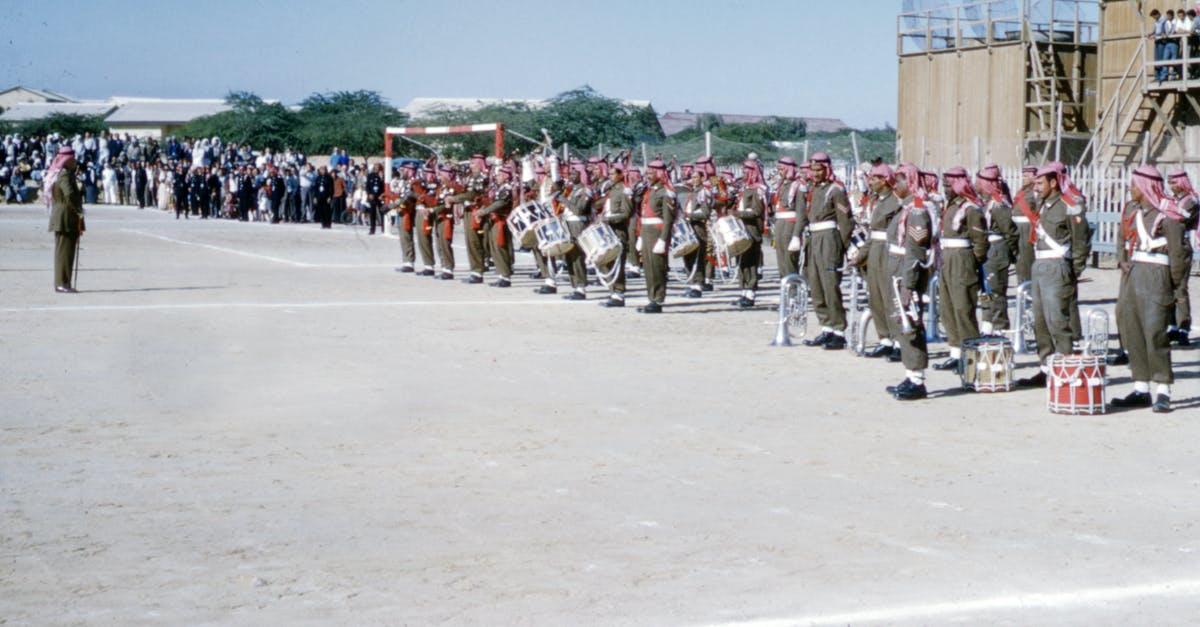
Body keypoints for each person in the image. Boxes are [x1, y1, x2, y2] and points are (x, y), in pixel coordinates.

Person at [1112, 165, 1183, 413]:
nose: (1131, 189)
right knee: (1132, 329)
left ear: (1145, 187)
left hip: (1157, 274)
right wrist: (1123, 262)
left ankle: (1163, 389)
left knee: (1155, 332)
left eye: (1134, 185)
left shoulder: (1167, 214)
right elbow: (1123, 238)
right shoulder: (1134, 211)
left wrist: (1174, 286)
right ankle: (1141, 387)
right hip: (1134, 273)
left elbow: (1178, 254)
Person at [1016, 164, 1083, 387]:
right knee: (1040, 321)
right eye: (1034, 183)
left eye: (1040, 183)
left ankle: (1066, 368)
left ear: (1053, 183)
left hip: (1057, 265)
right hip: (1040, 264)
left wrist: (1073, 270)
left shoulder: (1069, 206)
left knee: (1057, 320)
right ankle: (1046, 368)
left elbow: (1081, 241)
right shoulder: (1042, 204)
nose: (1036, 187)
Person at [931, 167, 988, 371]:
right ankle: (956, 354)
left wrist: (971, 263)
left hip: (962, 260)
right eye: (944, 185)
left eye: (948, 185)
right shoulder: (951, 206)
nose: (945, 189)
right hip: (947, 259)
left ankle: (971, 357)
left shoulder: (971, 209)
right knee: (947, 309)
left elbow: (980, 242)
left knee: (963, 309)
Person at [886, 164, 933, 399]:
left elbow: (915, 251)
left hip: (907, 272)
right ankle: (910, 374)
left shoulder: (916, 212)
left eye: (900, 180)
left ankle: (917, 379)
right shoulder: (906, 208)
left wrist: (909, 284)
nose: (895, 185)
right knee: (900, 321)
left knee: (911, 324)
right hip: (898, 269)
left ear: (911, 182)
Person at [798, 152, 853, 349]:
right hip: (813, 238)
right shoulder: (813, 189)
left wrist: (841, 247)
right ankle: (826, 327)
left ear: (827, 169)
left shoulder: (835, 190)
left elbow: (846, 221)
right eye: (812, 170)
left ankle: (839, 331)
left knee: (830, 286)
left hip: (829, 239)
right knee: (816, 285)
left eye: (819, 170)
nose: (815, 174)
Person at [856, 163, 904, 359]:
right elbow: (872, 232)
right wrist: (861, 256)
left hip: (889, 250)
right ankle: (885, 339)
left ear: (885, 180)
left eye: (874, 179)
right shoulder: (875, 201)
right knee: (875, 297)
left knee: (890, 296)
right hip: (874, 249)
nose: (870, 182)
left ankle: (900, 341)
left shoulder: (896, 201)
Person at [976, 164, 1020, 335]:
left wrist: (1011, 254)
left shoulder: (999, 205)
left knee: (996, 291)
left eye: (978, 182)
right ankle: (987, 323)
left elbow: (1010, 232)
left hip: (996, 251)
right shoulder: (985, 203)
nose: (976, 185)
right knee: (986, 290)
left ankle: (1000, 328)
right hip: (987, 251)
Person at [639, 159, 675, 313]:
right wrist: (641, 235)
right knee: (648, 268)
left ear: (659, 173)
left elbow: (668, 219)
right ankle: (651, 298)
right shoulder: (651, 190)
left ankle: (658, 299)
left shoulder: (665, 192)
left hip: (657, 232)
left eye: (651, 173)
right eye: (647, 173)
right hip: (647, 231)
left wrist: (663, 239)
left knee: (657, 267)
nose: (647, 176)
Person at [1165, 168, 1197, 345]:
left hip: (1182, 247)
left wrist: (1167, 209)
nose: (1171, 186)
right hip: (1169, 246)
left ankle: (1183, 327)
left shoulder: (1190, 200)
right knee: (1168, 288)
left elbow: (1180, 218)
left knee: (1180, 288)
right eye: (1169, 182)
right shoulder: (1173, 200)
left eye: (1174, 182)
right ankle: (1172, 326)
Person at [47, 146, 83, 293]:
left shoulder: (64, 174)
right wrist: (79, 210)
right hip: (66, 216)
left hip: (64, 215)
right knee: (64, 252)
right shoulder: (64, 175)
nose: (75, 161)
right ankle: (62, 283)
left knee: (66, 251)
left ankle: (63, 282)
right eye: (72, 158)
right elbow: (69, 194)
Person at [450, 154, 490, 284]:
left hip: (475, 211)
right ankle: (476, 270)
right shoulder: (471, 177)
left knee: (474, 241)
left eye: (473, 163)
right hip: (469, 210)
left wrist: (454, 199)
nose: (471, 166)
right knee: (471, 241)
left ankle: (477, 271)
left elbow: (471, 194)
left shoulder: (479, 177)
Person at [733, 159, 767, 308]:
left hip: (752, 230)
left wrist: (739, 214)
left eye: (746, 171)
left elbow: (757, 211)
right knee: (742, 262)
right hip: (742, 229)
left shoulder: (758, 189)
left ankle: (751, 293)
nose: (743, 173)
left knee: (751, 263)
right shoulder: (745, 189)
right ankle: (744, 291)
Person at [598, 164, 633, 307]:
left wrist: (609, 219)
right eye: (610, 174)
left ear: (620, 175)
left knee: (618, 263)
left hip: (618, 231)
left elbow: (626, 213)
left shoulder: (625, 190)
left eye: (613, 174)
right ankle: (613, 292)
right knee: (606, 261)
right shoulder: (611, 189)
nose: (610, 176)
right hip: (608, 230)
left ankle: (619, 294)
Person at [478, 163, 515, 288]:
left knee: (500, 247)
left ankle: (505, 276)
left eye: (499, 175)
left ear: (505, 176)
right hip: (494, 220)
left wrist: (484, 211)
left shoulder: (507, 189)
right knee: (494, 248)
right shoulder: (498, 188)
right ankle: (501, 275)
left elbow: (500, 203)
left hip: (501, 221)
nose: (496, 177)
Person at [681, 168, 714, 298]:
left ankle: (698, 285)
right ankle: (692, 283)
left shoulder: (703, 192)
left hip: (698, 227)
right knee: (687, 255)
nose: (693, 180)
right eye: (692, 177)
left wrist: (690, 215)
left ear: (702, 178)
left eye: (696, 177)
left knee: (698, 257)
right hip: (689, 227)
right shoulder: (693, 192)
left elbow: (705, 212)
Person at [771, 156, 805, 280]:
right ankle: (785, 285)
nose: (779, 172)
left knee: (790, 259)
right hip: (780, 224)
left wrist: (796, 235)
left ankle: (793, 288)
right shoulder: (782, 184)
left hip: (790, 225)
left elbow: (801, 213)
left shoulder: (798, 186)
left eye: (782, 169)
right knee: (781, 259)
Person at [1012, 165, 1040, 285]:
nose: (1023, 178)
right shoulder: (1022, 191)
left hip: (1027, 228)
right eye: (1023, 176)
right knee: (1019, 258)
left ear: (1034, 177)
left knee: (1026, 258)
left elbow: (1038, 211)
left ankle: (1028, 284)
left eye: (1026, 176)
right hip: (1017, 226)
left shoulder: (1036, 192)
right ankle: (1022, 282)